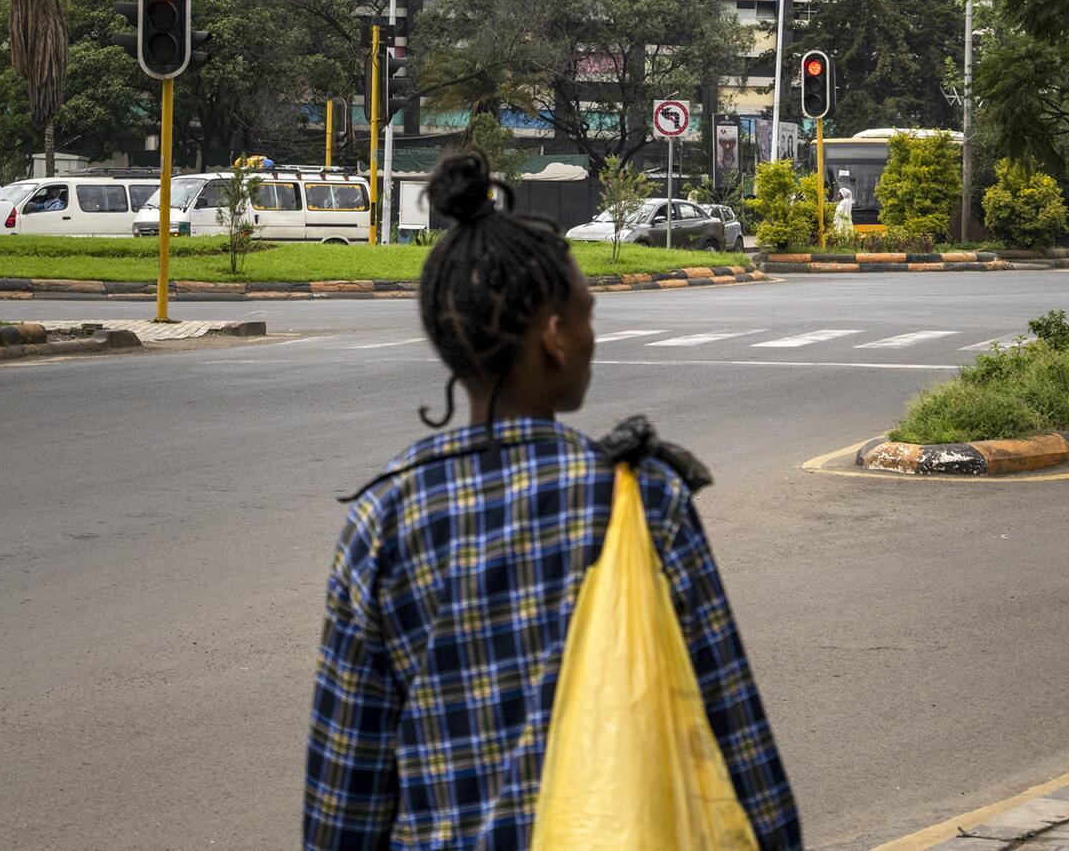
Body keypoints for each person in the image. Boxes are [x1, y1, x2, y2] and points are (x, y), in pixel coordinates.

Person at [304, 151, 802, 849]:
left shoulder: (384, 520)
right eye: (588, 314)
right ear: (554, 338)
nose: (596, 334)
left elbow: (346, 790)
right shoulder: (642, 496)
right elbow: (732, 731)